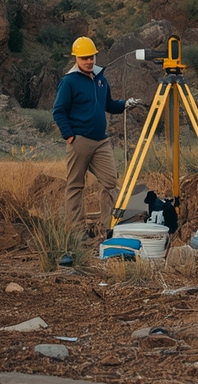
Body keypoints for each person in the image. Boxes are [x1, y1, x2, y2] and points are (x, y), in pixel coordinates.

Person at [52, 36, 142, 238]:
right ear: (76, 58)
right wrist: (69, 136)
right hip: (79, 140)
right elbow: (58, 111)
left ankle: (108, 226)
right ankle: (77, 231)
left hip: (101, 141)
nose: (89, 61)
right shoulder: (69, 82)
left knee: (110, 182)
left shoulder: (101, 78)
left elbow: (108, 104)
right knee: (75, 185)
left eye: (91, 57)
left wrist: (125, 104)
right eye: (84, 58)